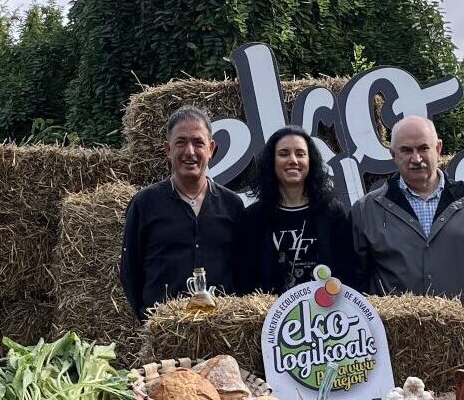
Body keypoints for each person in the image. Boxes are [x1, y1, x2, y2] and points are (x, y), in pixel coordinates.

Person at [119, 106, 247, 319]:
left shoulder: (232, 205)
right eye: (181, 142)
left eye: (198, 142)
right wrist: (147, 318)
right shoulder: (144, 204)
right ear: (168, 149)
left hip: (221, 327)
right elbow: (130, 271)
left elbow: (244, 270)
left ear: (211, 149)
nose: (190, 151)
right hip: (164, 328)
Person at [351, 115, 464, 303]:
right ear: (393, 154)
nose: (416, 158)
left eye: (423, 148)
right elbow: (358, 277)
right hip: (394, 322)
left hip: (459, 319)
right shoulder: (366, 210)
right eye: (406, 150)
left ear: (438, 148)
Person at [238, 126, 356, 294]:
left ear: (310, 161)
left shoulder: (332, 212)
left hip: (325, 308)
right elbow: (245, 280)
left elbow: (347, 274)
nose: (293, 160)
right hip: (271, 310)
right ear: (271, 161)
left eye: (300, 154)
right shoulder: (253, 217)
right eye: (283, 154)